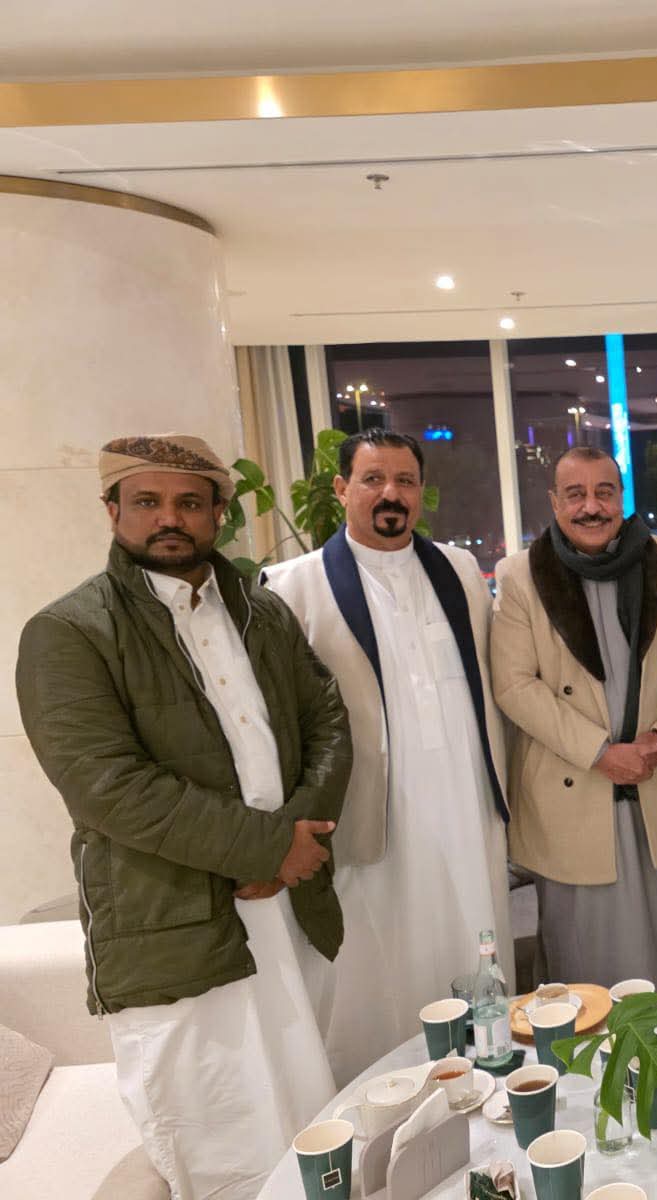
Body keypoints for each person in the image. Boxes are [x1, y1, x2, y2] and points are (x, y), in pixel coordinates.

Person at [16, 434, 349, 1200]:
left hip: (286, 910)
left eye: (189, 502)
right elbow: (107, 786)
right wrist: (267, 848)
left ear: (217, 513)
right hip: (174, 932)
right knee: (222, 1146)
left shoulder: (260, 611)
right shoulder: (70, 632)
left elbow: (327, 720)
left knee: (310, 1124)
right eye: (148, 501)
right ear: (112, 510)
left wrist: (299, 839)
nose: (170, 518)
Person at [265, 427, 510, 1084]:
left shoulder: (460, 570)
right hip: (372, 816)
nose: (390, 494)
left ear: (421, 491)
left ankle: (483, 1084)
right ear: (341, 488)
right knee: (377, 971)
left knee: (473, 944)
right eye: (372, 479)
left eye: (404, 480)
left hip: (467, 807)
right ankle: (381, 1097)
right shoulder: (292, 586)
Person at [490, 446, 657, 994]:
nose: (591, 507)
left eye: (604, 492)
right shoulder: (520, 575)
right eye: (576, 494)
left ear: (621, 498)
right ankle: (583, 1057)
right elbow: (514, 685)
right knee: (578, 963)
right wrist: (600, 752)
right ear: (555, 502)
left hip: (654, 782)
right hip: (573, 786)